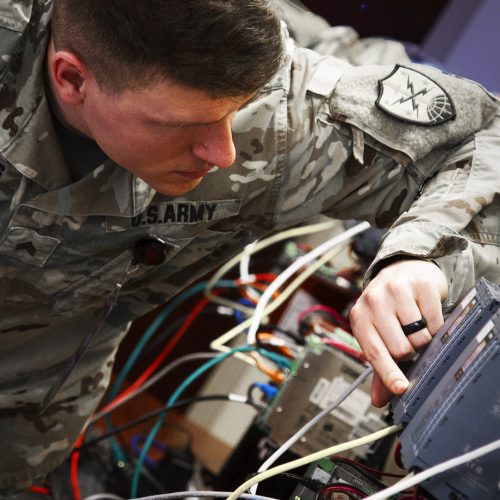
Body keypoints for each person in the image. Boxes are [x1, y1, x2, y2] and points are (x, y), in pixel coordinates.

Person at [0, 0, 498, 496]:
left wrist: (420, 256)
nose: (223, 153)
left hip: (24, 423)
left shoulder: (276, 114)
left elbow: (484, 132)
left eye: (233, 111)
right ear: (72, 78)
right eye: (180, 124)